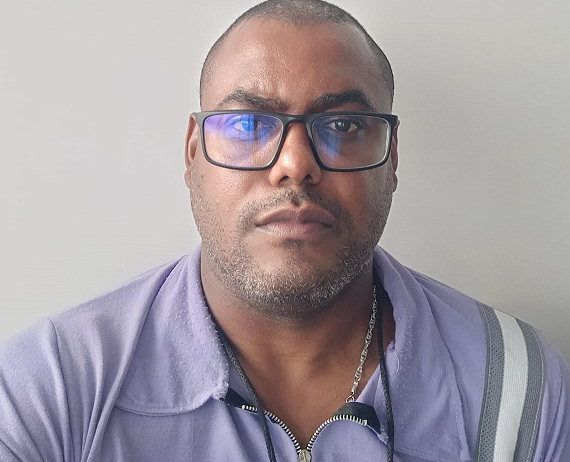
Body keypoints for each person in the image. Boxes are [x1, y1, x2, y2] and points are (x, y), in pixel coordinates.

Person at [1, 0, 568, 460]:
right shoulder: (52, 387)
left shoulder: (518, 387)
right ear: (193, 154)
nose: (295, 164)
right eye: (248, 124)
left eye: (343, 124)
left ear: (392, 159)